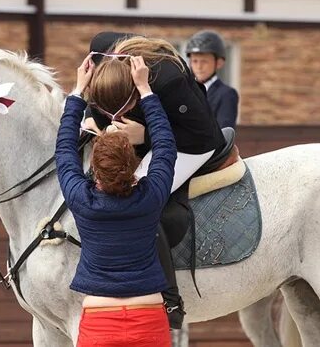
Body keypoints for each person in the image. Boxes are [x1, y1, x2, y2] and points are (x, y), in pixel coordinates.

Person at [83, 32, 231, 328]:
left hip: (191, 144)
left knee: (138, 200)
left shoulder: (167, 79)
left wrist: (145, 135)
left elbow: (200, 134)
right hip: (144, 140)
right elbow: (97, 109)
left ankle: (170, 298)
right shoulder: (104, 64)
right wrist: (91, 122)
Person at [56, 53, 176, 347]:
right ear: (134, 163)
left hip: (99, 323)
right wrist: (145, 89)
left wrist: (78, 92)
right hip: (149, 317)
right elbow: (165, 144)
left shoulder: (81, 199)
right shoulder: (151, 196)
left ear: (94, 167)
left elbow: (64, 149)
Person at [186, 30, 239, 129]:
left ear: (219, 63)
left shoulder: (226, 94)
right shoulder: (186, 91)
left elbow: (224, 131)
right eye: (195, 61)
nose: (199, 67)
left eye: (204, 61)